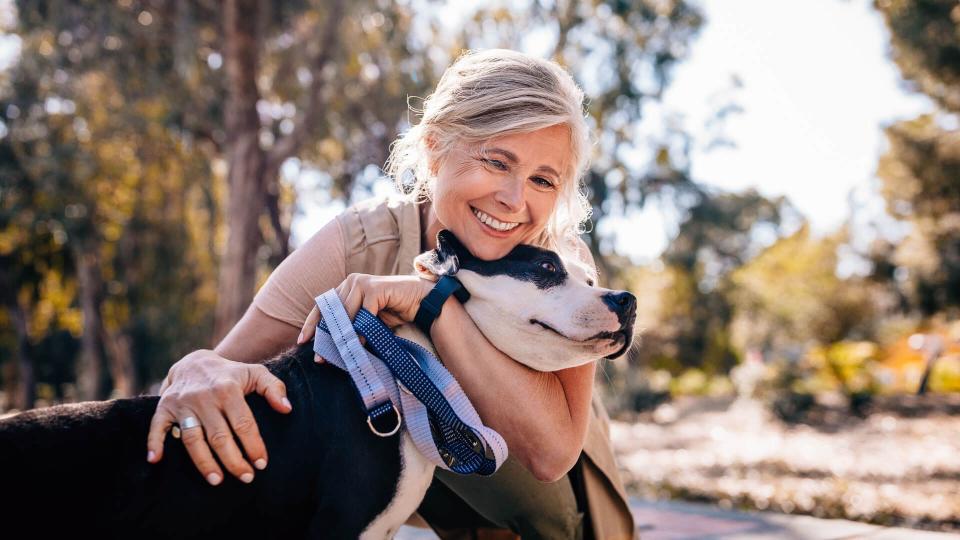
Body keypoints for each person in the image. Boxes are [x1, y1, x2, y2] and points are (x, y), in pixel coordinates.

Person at [145, 48, 636, 540]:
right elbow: (224, 367)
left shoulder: (564, 267)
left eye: (542, 180)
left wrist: (432, 302)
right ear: (436, 148)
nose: (513, 199)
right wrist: (198, 368)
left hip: (554, 521)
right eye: (495, 161)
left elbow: (550, 457)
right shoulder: (359, 242)